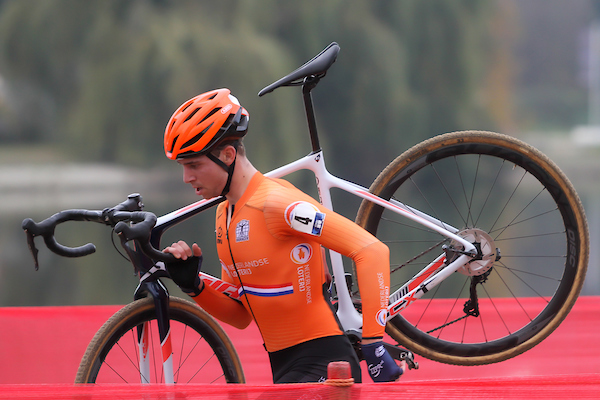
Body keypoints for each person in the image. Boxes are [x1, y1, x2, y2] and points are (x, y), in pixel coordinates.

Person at [162, 88, 404, 383]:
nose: (187, 178)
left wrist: (373, 343)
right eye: (184, 167)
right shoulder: (224, 213)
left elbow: (372, 251)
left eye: (194, 165)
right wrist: (194, 286)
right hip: (285, 368)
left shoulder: (278, 204)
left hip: (326, 364)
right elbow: (241, 315)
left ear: (227, 155)